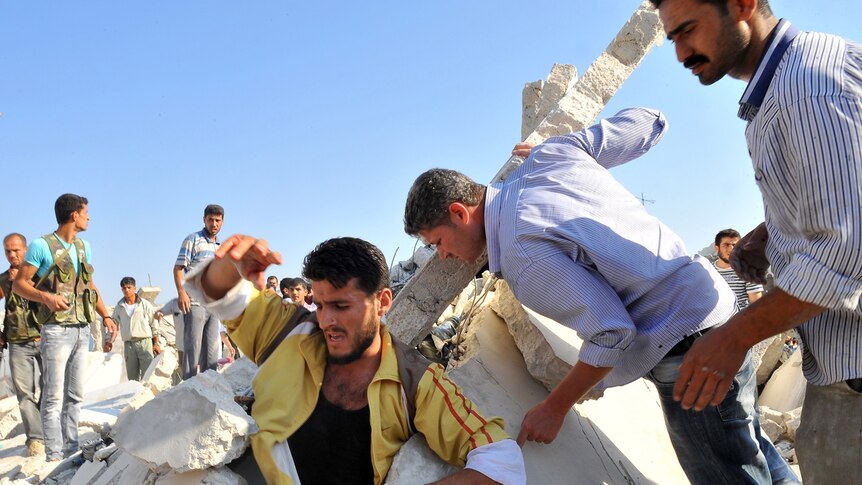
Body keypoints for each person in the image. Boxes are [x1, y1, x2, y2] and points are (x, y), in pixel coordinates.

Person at [403, 108, 796, 484]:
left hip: (689, 355)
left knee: (730, 474)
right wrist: (565, 144)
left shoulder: (522, 254)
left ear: (459, 212)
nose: (443, 254)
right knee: (754, 451)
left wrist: (554, 408)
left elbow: (611, 332)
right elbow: (652, 121)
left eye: (438, 241)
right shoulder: (551, 157)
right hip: (719, 313)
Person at [651, 0, 862, 481]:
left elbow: (847, 248)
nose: (682, 54)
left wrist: (734, 337)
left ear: (743, 5)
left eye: (688, 31)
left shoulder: (806, 88)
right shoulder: (783, 89)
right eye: (673, 39)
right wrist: (773, 230)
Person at [185, 235, 525, 484]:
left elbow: (501, 459)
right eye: (320, 305)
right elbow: (220, 294)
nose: (326, 321)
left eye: (341, 306)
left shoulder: (416, 381)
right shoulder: (288, 331)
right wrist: (227, 267)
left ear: (383, 301)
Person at [12, 194, 117, 461]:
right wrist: (47, 297)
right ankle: (54, 455)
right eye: (86, 212)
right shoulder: (41, 245)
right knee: (53, 396)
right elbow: (19, 284)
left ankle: (71, 452)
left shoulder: (84, 247)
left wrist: (105, 315)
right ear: (74, 215)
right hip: (56, 331)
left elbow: (88, 286)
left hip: (82, 328)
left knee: (75, 395)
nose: (89, 217)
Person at [0, 233, 44, 456]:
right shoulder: (4, 279)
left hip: (43, 338)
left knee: (50, 388)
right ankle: (35, 440)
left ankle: (50, 431)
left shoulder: (39, 273)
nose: (12, 255)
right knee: (25, 394)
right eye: (7, 251)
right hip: (17, 343)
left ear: (26, 249)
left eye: (16, 250)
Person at [173, 204, 223, 379]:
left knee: (212, 355)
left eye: (217, 220)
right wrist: (181, 293)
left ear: (222, 222)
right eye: (210, 220)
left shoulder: (220, 247)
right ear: (204, 220)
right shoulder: (193, 239)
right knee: (192, 353)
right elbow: (178, 268)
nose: (214, 224)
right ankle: (189, 392)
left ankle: (209, 396)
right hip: (195, 303)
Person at [110, 277, 161, 381]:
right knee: (132, 379)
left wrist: (156, 343)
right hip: (129, 345)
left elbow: (154, 324)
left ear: (134, 288)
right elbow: (113, 324)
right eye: (124, 288)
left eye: (129, 287)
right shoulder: (119, 307)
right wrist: (109, 340)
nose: (126, 290)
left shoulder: (145, 304)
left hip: (144, 343)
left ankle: (148, 397)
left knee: (147, 376)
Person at [713, 228, 763, 309]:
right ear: (717, 248)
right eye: (726, 245)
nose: (731, 249)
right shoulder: (708, 270)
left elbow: (757, 305)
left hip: (739, 319)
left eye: (734, 245)